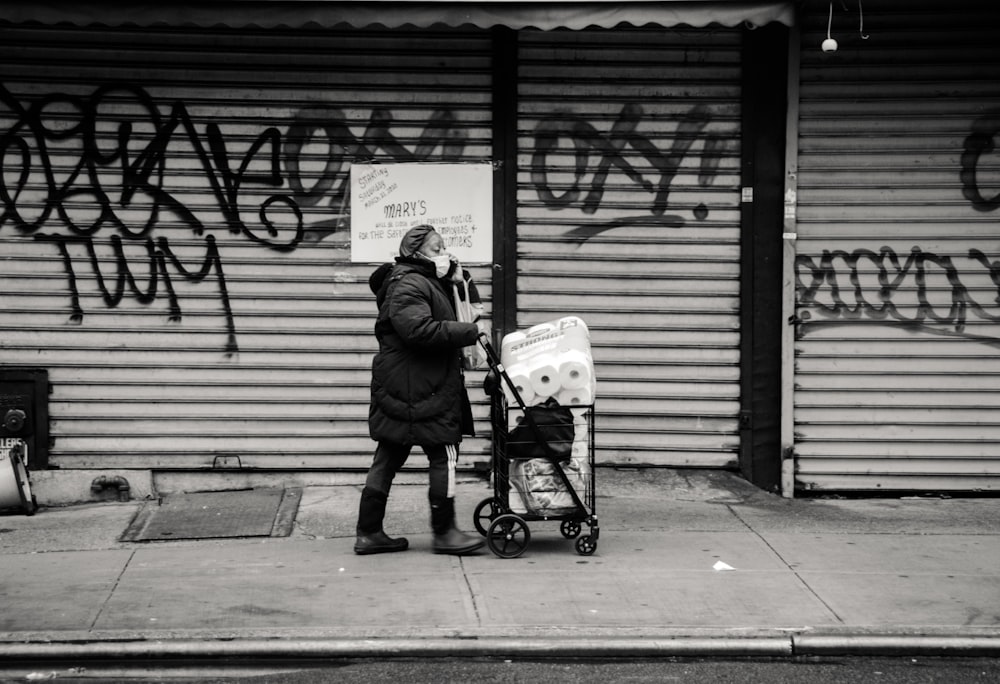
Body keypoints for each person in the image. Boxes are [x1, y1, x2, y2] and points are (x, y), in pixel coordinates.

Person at [354, 224, 486, 556]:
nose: (446, 255)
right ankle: (445, 533)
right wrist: (468, 332)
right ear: (417, 253)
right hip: (422, 385)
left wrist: (456, 279)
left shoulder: (417, 281)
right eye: (438, 249)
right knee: (444, 453)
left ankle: (369, 532)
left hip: (406, 383)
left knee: (388, 455)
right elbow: (418, 330)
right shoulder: (410, 283)